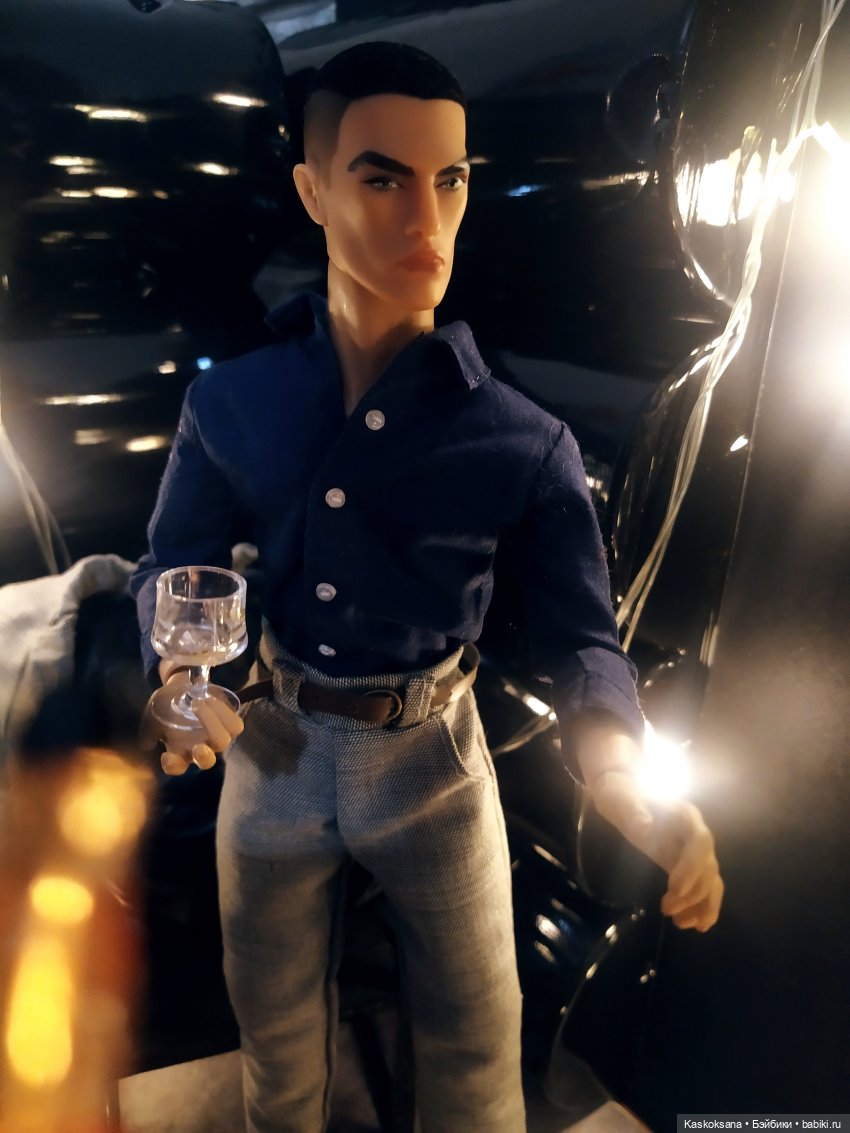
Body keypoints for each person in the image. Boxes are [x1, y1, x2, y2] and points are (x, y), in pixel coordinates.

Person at [131, 41, 723, 1133]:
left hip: (434, 761)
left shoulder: (521, 442)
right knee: (275, 1046)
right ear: (312, 191)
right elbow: (173, 563)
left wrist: (619, 770)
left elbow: (582, 639)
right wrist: (178, 676)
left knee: (476, 1048)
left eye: (450, 179)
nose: (426, 218)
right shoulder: (236, 404)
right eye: (382, 177)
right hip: (271, 745)